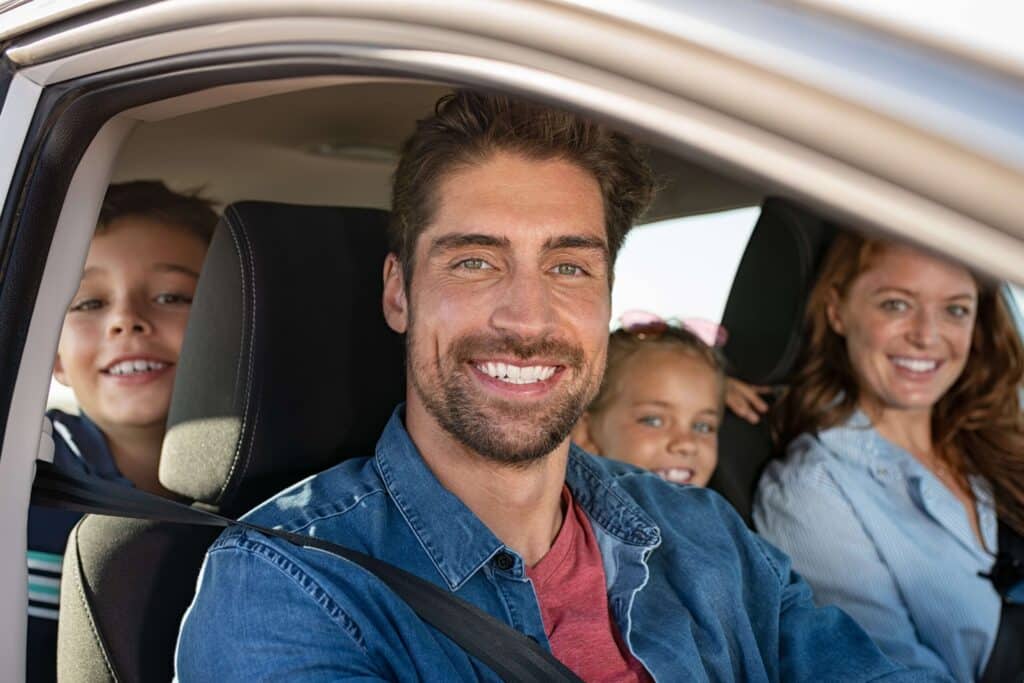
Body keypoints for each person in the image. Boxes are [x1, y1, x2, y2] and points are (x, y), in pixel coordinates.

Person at [176, 91, 945, 682]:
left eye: (569, 266)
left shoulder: (706, 538)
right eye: (474, 260)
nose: (527, 318)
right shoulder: (295, 584)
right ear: (399, 292)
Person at [753, 232, 1024, 681]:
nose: (926, 335)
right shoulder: (813, 490)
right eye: (896, 304)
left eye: (955, 309)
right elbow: (885, 672)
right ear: (838, 310)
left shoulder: (998, 443)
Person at [28, 181, 216, 683]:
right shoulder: (19, 478)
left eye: (171, 296)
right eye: (88, 304)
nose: (127, 321)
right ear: (54, 357)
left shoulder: (300, 492)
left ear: (236, 326)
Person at [571, 313, 727, 487]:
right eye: (654, 421)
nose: (687, 444)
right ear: (585, 433)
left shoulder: (716, 512)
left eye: (703, 426)